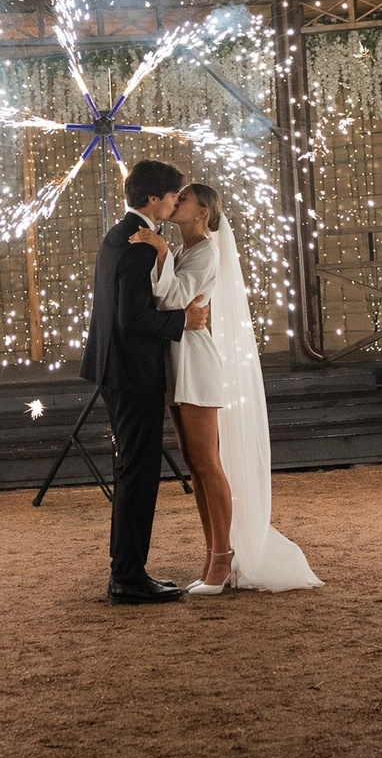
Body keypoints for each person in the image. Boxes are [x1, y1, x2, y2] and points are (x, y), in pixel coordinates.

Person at [136, 181, 321, 596]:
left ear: (202, 212)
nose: (175, 201)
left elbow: (174, 299)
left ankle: (223, 557)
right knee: (193, 461)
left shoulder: (204, 251)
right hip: (176, 357)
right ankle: (214, 553)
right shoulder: (185, 249)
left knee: (206, 460)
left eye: (184, 198)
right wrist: (168, 255)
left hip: (196, 361)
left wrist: (161, 253)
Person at [81, 159, 210, 604]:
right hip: (133, 373)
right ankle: (128, 578)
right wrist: (183, 320)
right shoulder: (138, 246)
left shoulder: (119, 235)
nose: (176, 201)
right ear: (154, 199)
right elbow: (132, 318)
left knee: (131, 469)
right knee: (139, 474)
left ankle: (127, 571)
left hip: (113, 367)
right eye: (173, 194)